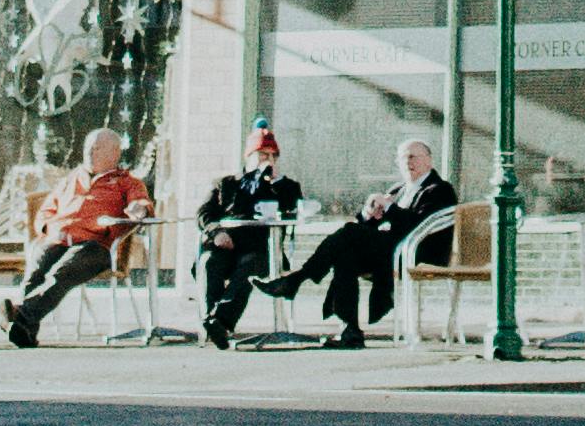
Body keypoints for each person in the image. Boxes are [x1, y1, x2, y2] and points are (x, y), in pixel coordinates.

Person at [271, 134, 461, 351]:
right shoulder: (397, 190)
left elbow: (418, 227)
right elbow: (364, 225)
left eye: (413, 157)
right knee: (346, 255)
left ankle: (297, 279)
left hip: (419, 253)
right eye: (402, 158)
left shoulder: (439, 189)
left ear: (428, 160)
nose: (408, 162)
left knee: (348, 233)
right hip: (389, 251)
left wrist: (389, 209)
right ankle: (350, 330)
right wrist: (368, 212)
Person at [0, 129, 149, 347]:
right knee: (37, 268)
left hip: (96, 245)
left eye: (97, 147)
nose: (90, 151)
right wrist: (49, 229)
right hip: (57, 239)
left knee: (62, 272)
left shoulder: (127, 182)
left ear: (115, 153)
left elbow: (142, 206)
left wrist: (139, 209)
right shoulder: (71, 179)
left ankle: (19, 315)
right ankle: (25, 330)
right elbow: (45, 212)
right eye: (88, 146)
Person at [193, 124, 306, 348]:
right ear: (249, 156)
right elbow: (203, 213)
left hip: (261, 248)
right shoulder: (227, 184)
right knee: (209, 262)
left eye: (274, 156)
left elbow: (294, 213)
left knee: (249, 266)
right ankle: (211, 323)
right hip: (226, 244)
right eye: (263, 154)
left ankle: (220, 321)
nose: (269, 160)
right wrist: (216, 232)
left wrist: (273, 185)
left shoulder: (287, 186)